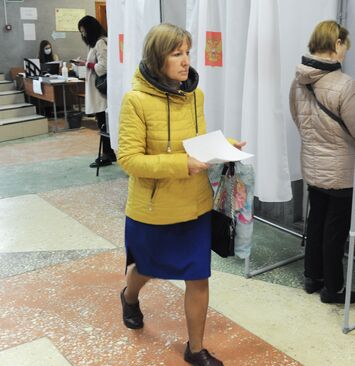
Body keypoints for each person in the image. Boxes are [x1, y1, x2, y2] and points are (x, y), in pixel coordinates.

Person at [117, 23, 244, 366]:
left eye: (187, 52)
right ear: (158, 58)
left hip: (194, 204)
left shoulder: (195, 95)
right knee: (144, 267)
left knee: (198, 275)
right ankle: (129, 297)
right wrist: (180, 164)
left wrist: (223, 146)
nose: (186, 61)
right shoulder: (136, 100)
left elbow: (196, 144)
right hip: (153, 208)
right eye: (177, 54)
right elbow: (128, 159)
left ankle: (196, 348)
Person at [289, 20, 355, 304]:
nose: (345, 52)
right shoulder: (346, 85)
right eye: (345, 46)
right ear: (336, 44)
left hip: (313, 164)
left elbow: (298, 119)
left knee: (316, 221)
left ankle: (312, 277)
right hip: (341, 171)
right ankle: (333, 289)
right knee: (335, 231)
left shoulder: (298, 81)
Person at [74, 15, 116, 168]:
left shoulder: (100, 43)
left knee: (103, 122)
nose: (83, 35)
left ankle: (107, 154)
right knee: (102, 122)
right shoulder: (95, 44)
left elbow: (105, 66)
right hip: (96, 89)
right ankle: (108, 152)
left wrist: (86, 64)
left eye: (84, 32)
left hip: (101, 91)